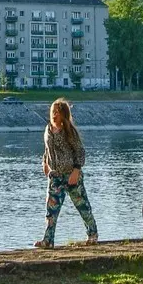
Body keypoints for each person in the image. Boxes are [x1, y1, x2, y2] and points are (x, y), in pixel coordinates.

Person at [36, 98, 98, 248]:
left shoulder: (70, 131)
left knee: (83, 206)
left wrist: (76, 170)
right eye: (53, 112)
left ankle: (93, 234)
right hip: (55, 176)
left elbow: (80, 152)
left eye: (58, 112)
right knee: (51, 210)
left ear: (64, 115)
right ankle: (48, 240)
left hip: (71, 175)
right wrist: (45, 162)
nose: (55, 115)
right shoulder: (48, 130)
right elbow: (47, 149)